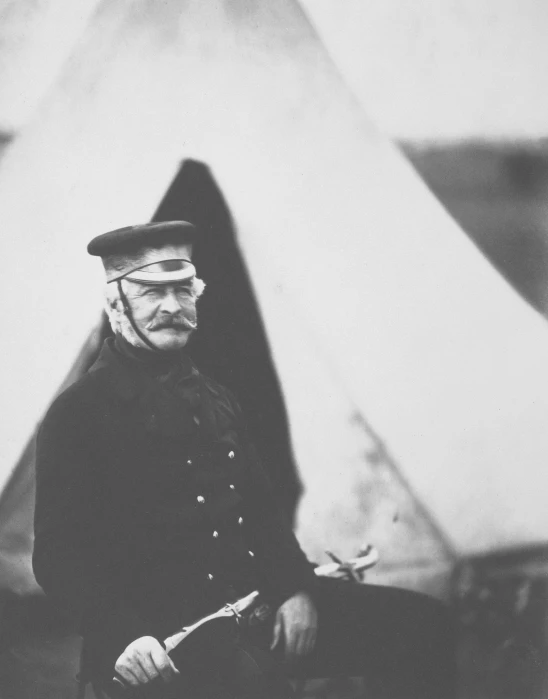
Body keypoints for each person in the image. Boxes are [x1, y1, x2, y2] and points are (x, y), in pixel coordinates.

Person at [33, 221, 456, 699]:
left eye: (181, 290)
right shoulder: (78, 413)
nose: (171, 307)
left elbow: (262, 513)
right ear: (118, 303)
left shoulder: (217, 398)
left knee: (422, 626)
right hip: (161, 643)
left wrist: (297, 589)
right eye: (152, 293)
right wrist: (120, 635)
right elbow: (57, 555)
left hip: (257, 608)